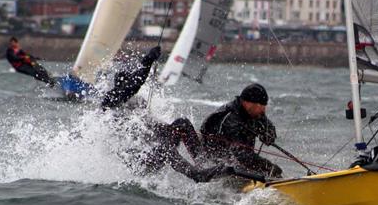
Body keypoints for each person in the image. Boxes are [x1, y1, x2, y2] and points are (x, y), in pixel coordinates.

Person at [99, 46, 223, 183]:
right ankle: (197, 175)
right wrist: (147, 62)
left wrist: (172, 131)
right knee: (165, 149)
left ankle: (205, 165)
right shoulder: (110, 102)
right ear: (118, 86)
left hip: (153, 150)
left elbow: (154, 127)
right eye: (127, 82)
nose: (130, 85)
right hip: (138, 163)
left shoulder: (137, 102)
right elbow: (134, 85)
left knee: (182, 123)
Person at [200, 83, 283, 179]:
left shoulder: (253, 112)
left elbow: (267, 126)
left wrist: (268, 136)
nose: (264, 109)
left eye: (264, 105)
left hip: (237, 162)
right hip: (213, 164)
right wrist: (269, 167)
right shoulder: (230, 119)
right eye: (261, 105)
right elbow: (242, 156)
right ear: (247, 103)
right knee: (268, 170)